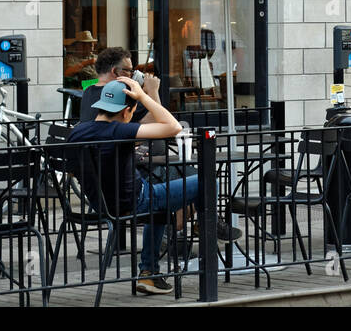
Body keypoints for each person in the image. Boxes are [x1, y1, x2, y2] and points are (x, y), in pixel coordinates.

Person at [68, 76, 236, 294]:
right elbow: (173, 127)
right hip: (136, 200)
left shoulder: (78, 132)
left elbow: (74, 169)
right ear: (127, 111)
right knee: (207, 181)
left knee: (164, 197)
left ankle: (149, 274)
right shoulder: (119, 131)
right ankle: (202, 224)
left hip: (100, 205)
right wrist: (144, 95)